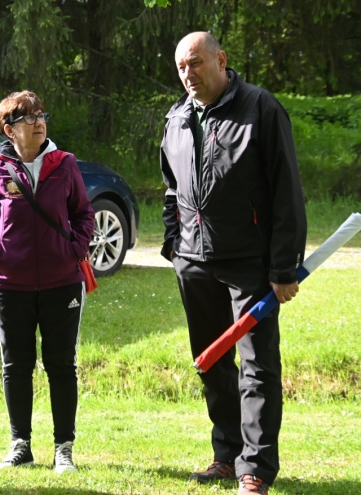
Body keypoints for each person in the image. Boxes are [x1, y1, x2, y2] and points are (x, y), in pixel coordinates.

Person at [160, 32, 307, 495]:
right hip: (194, 263)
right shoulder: (177, 118)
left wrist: (283, 268)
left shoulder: (260, 108)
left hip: (249, 264)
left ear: (220, 60)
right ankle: (225, 456)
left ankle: (255, 470)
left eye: (197, 63)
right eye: (182, 66)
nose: (189, 74)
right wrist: (173, 247)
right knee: (212, 364)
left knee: (257, 366)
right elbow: (170, 190)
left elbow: (287, 192)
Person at [0, 90, 94, 474]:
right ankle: (20, 444)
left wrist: (75, 249)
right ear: (9, 129)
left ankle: (63, 448)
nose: (39, 122)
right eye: (28, 118)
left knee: (61, 365)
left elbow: (84, 214)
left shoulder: (65, 164)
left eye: (41, 115)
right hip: (8, 285)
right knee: (15, 365)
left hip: (62, 282)